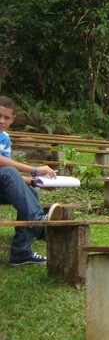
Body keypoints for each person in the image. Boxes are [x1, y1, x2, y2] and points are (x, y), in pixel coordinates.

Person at [0, 95, 61, 265]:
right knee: (11, 172)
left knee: (31, 191)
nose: (2, 121)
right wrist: (34, 170)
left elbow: (6, 175)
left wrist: (36, 181)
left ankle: (21, 252)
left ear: (13, 119)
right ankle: (40, 224)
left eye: (6, 118)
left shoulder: (4, 138)